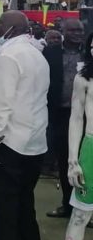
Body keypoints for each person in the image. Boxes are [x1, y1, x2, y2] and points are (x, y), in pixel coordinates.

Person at [0, 10, 50, 240]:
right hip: (35, 141)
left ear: (11, 28)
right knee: (24, 201)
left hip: (8, 143)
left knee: (3, 209)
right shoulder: (37, 54)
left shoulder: (7, 56)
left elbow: (2, 104)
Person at [42, 19, 85, 219]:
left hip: (87, 115)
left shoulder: (89, 53)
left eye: (80, 30)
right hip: (59, 114)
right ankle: (67, 205)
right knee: (64, 160)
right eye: (73, 30)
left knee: (87, 160)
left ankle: (86, 208)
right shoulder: (50, 53)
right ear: (63, 31)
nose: (77, 34)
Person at [61, 32, 93, 240]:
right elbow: (75, 118)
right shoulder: (83, 78)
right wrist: (73, 159)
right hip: (90, 151)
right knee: (80, 214)